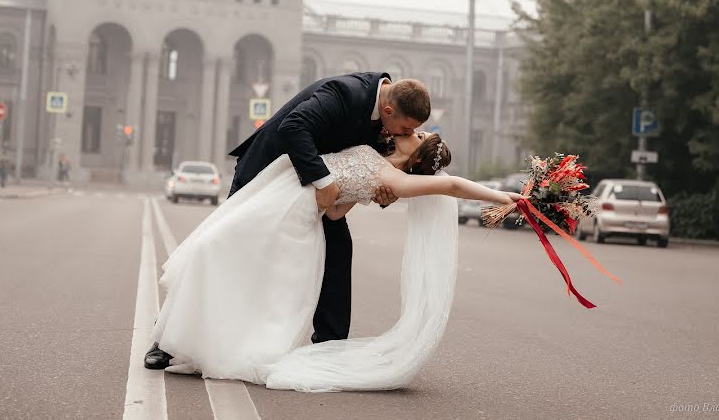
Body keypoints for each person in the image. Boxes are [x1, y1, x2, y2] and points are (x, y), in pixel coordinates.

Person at [150, 131, 521, 391]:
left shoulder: (397, 181)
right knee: (211, 253)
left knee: (218, 257)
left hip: (291, 216)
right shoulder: (376, 156)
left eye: (421, 136)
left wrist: (505, 196)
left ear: (420, 155)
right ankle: (183, 342)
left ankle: (201, 346)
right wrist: (363, 195)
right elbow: (335, 214)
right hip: (277, 195)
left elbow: (453, 186)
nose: (415, 131)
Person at [144, 71, 430, 370]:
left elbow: (369, 165)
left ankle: (329, 348)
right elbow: (293, 127)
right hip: (267, 174)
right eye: (405, 128)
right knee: (223, 249)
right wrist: (322, 181)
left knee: (338, 250)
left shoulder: (387, 115)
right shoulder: (344, 93)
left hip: (309, 189)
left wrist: (381, 193)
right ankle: (166, 341)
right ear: (388, 110)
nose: (403, 135)